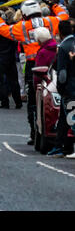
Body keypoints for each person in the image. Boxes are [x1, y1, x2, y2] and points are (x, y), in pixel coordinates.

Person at [0, 0, 69, 144]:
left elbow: (3, 30)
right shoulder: (51, 21)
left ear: (23, 14)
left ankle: (34, 132)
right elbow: (64, 16)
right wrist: (53, 4)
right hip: (52, 63)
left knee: (33, 102)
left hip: (33, 66)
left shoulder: (21, 26)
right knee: (56, 98)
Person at [47, 20, 75, 158]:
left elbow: (62, 72)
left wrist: (60, 87)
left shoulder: (63, 47)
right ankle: (61, 145)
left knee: (70, 117)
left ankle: (64, 147)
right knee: (65, 118)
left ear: (59, 31)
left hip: (69, 88)